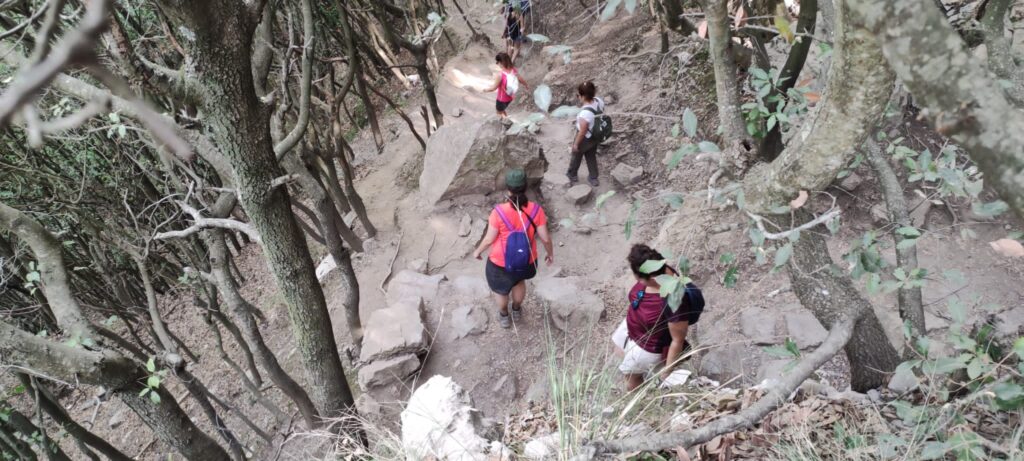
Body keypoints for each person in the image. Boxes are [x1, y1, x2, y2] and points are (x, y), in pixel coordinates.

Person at [612, 244, 700, 391]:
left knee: (631, 377)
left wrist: (666, 372)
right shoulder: (661, 270)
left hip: (648, 346)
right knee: (619, 351)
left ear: (649, 276)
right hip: (634, 326)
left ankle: (638, 400)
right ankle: (640, 374)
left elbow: (677, 340)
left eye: (638, 277)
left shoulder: (674, 302)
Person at [473, 169, 554, 329]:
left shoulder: (498, 212)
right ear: (525, 187)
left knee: (501, 291)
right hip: (526, 260)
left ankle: (504, 315)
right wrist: (550, 253)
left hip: (500, 262)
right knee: (519, 282)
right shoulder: (536, 210)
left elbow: (489, 238)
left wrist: (478, 251)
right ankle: (516, 309)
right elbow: (545, 238)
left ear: (508, 188)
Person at [568, 81, 605, 187]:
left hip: (585, 138)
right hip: (595, 135)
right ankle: (594, 178)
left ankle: (572, 174)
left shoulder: (584, 114)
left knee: (576, 155)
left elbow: (582, 131)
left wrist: (575, 144)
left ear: (583, 96)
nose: (578, 97)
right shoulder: (599, 101)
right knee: (591, 156)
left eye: (578, 95)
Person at [482, 52, 530, 120]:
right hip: (510, 97)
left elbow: (493, 89)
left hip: (501, 99)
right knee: (503, 110)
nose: (497, 64)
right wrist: (526, 85)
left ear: (501, 63)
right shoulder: (513, 70)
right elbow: (520, 79)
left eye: (497, 62)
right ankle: (506, 118)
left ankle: (506, 123)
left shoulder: (500, 75)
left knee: (499, 112)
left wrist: (485, 90)